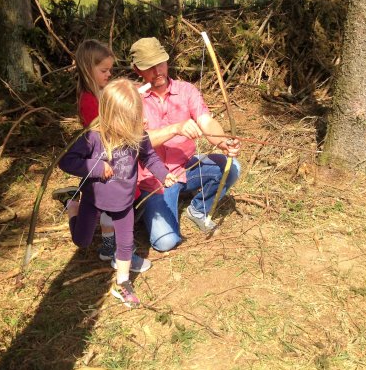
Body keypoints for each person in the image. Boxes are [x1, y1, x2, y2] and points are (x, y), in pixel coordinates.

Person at [58, 78, 178, 307]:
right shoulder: (93, 137)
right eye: (133, 117)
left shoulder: (137, 134)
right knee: (81, 240)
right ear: (113, 116)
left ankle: (122, 283)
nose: (140, 121)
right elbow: (66, 161)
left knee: (125, 243)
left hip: (123, 203)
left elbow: (150, 157)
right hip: (94, 199)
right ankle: (72, 208)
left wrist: (164, 175)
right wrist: (95, 165)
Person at [130, 37, 241, 252]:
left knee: (232, 167)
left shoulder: (186, 90)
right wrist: (175, 128)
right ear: (137, 69)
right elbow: (134, 142)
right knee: (165, 242)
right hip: (153, 180)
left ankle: (198, 209)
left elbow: (206, 121)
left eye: (160, 63)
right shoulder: (132, 98)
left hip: (186, 167)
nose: (157, 71)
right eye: (149, 67)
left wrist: (223, 142)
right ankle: (148, 209)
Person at [52, 39, 150, 272]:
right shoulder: (89, 101)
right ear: (88, 69)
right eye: (104, 70)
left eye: (110, 70)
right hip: (104, 165)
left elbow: (115, 101)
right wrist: (129, 126)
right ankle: (75, 209)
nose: (109, 74)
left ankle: (116, 250)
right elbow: (97, 137)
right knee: (108, 208)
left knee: (120, 205)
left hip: (114, 163)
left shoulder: (101, 92)